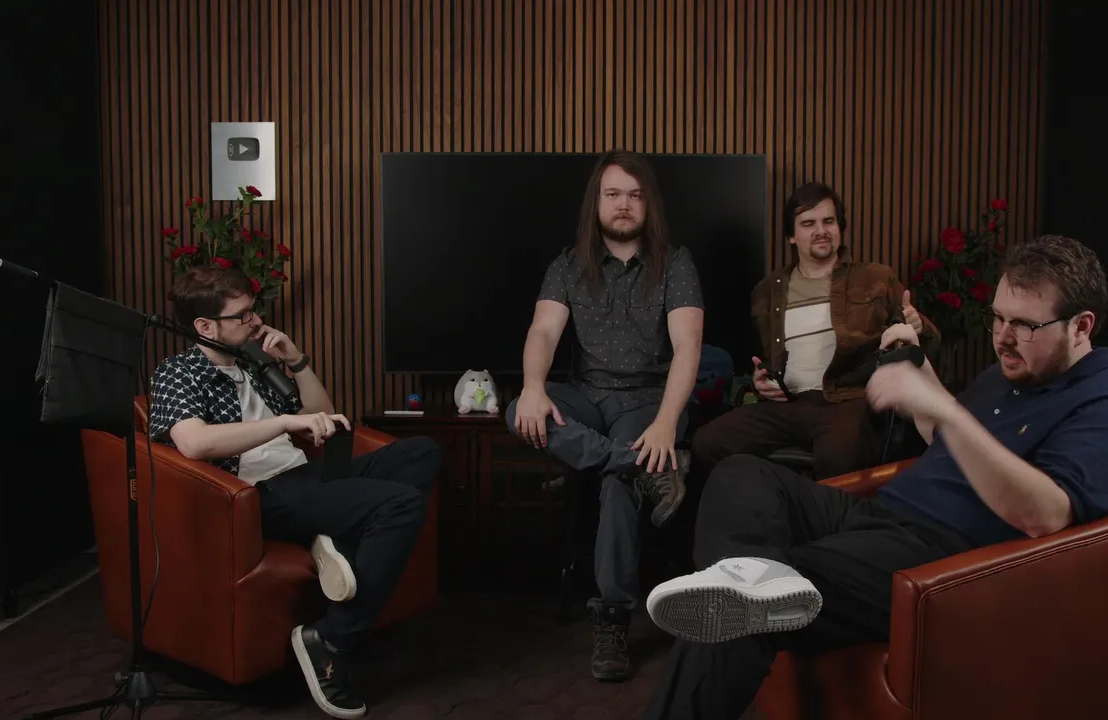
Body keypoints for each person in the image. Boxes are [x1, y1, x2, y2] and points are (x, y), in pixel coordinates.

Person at [639, 235, 1108, 719]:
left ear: (1081, 326)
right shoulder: (1015, 370)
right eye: (997, 318)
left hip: (942, 556)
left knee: (756, 590)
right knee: (743, 475)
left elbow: (1045, 514)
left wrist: (944, 409)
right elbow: (949, 440)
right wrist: (919, 374)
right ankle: (747, 586)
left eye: (1024, 325)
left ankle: (747, 596)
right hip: (882, 512)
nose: (1003, 338)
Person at [148, 266, 440, 720]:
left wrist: (297, 360)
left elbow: (321, 414)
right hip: (259, 493)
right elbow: (194, 443)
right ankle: (331, 641)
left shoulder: (252, 362)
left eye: (253, 310)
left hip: (305, 474)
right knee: (401, 504)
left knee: (421, 452)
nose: (256, 321)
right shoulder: (178, 372)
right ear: (205, 326)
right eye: (243, 315)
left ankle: (336, 537)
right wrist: (283, 422)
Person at [506, 148, 705, 681]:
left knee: (617, 488)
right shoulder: (568, 265)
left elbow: (688, 348)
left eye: (635, 196)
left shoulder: (676, 264)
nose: (623, 205)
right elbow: (543, 331)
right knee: (519, 409)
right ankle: (641, 466)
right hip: (586, 396)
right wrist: (533, 387)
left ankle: (613, 620)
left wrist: (666, 424)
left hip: (647, 402)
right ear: (596, 202)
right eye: (613, 194)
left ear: (648, 204)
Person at [690, 182, 940, 480]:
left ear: (840, 228)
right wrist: (760, 381)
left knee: (837, 457)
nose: (821, 231)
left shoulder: (876, 278)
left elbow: (928, 346)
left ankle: (823, 510)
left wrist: (919, 326)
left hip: (849, 400)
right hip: (787, 405)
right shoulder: (766, 292)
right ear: (791, 236)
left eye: (828, 221)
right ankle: (768, 502)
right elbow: (763, 360)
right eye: (808, 223)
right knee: (706, 443)